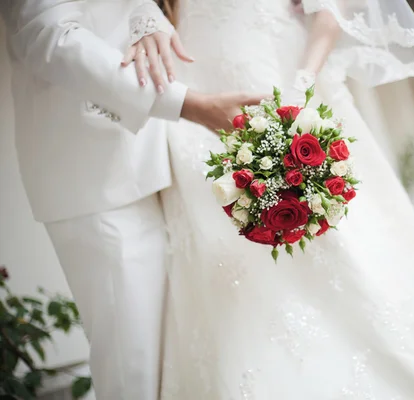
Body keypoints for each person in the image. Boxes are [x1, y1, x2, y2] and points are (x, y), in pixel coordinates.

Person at [126, 0, 414, 398]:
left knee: (338, 251)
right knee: (229, 272)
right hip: (194, 101)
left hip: (279, 72)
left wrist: (300, 90)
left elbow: (336, 6)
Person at [0, 1, 264, 399]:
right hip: (94, 175)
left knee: (161, 364)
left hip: (147, 161)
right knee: (133, 371)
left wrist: (149, 17)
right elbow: (48, 35)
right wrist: (192, 106)